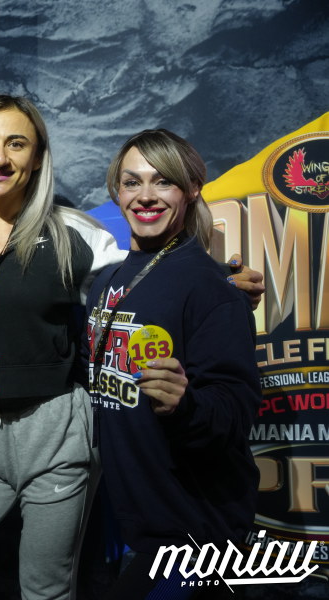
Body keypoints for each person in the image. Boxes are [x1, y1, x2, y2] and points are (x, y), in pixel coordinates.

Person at [0, 95, 263, 600]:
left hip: (57, 432)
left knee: (47, 590)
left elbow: (148, 276)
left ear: (37, 158)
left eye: (17, 144)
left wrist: (223, 283)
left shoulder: (75, 235)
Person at [84, 129, 259, 599]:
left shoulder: (212, 290)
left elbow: (235, 411)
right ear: (117, 191)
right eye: (132, 182)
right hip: (137, 521)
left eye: (163, 181)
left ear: (192, 189)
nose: (145, 196)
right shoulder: (106, 283)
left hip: (195, 534)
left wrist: (185, 405)